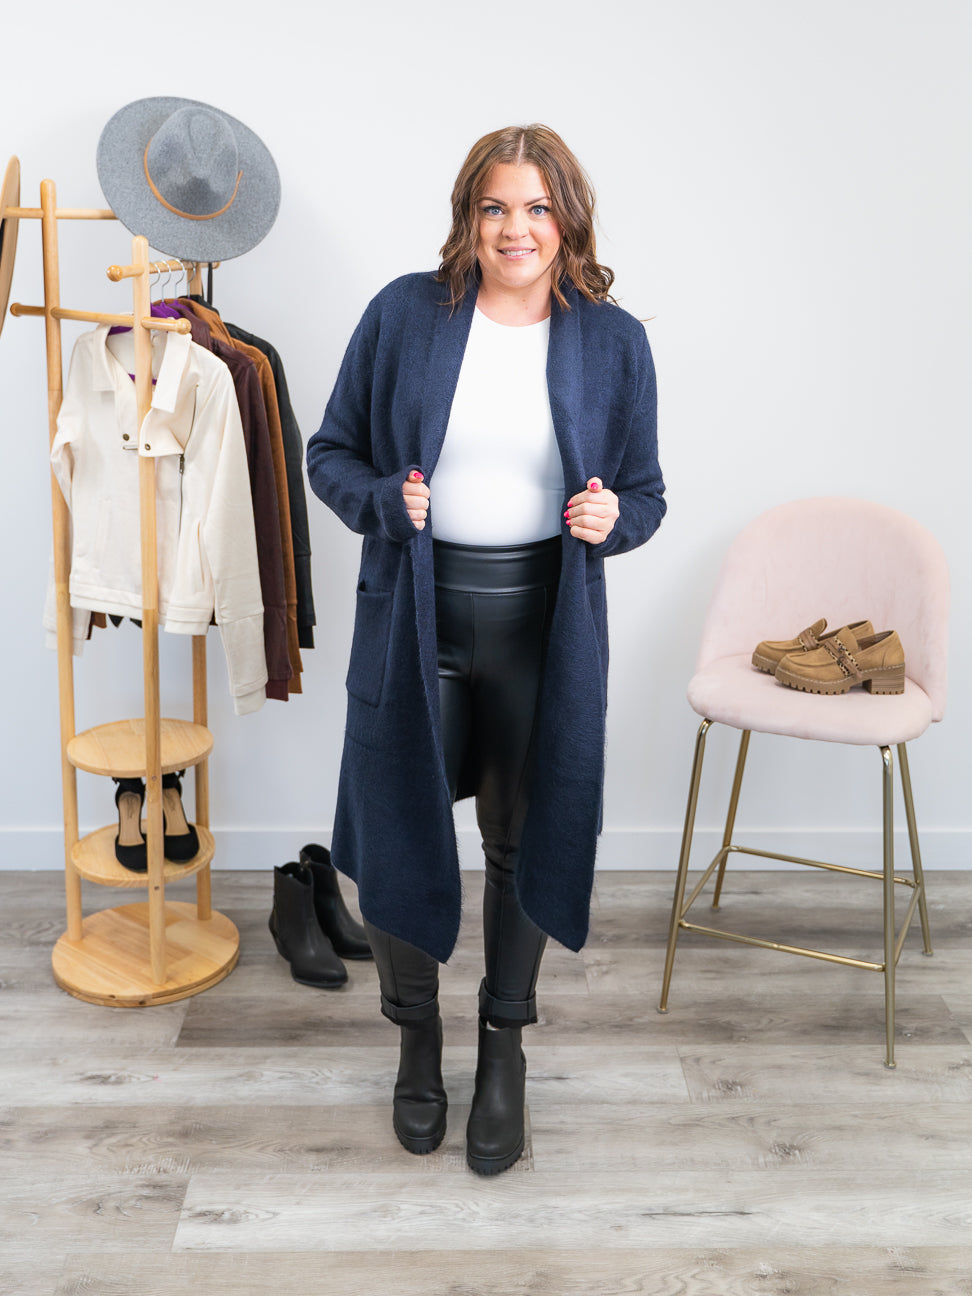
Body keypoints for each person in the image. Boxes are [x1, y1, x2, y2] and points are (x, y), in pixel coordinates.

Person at [306, 124, 665, 1174]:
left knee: (523, 839)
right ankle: (415, 1040)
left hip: (543, 626)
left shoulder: (613, 341)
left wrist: (615, 520)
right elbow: (330, 453)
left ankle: (503, 1045)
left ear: (568, 221)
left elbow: (645, 493)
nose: (517, 229)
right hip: (416, 617)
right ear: (468, 216)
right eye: (496, 207)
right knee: (402, 831)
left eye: (538, 208)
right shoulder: (404, 315)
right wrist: (384, 499)